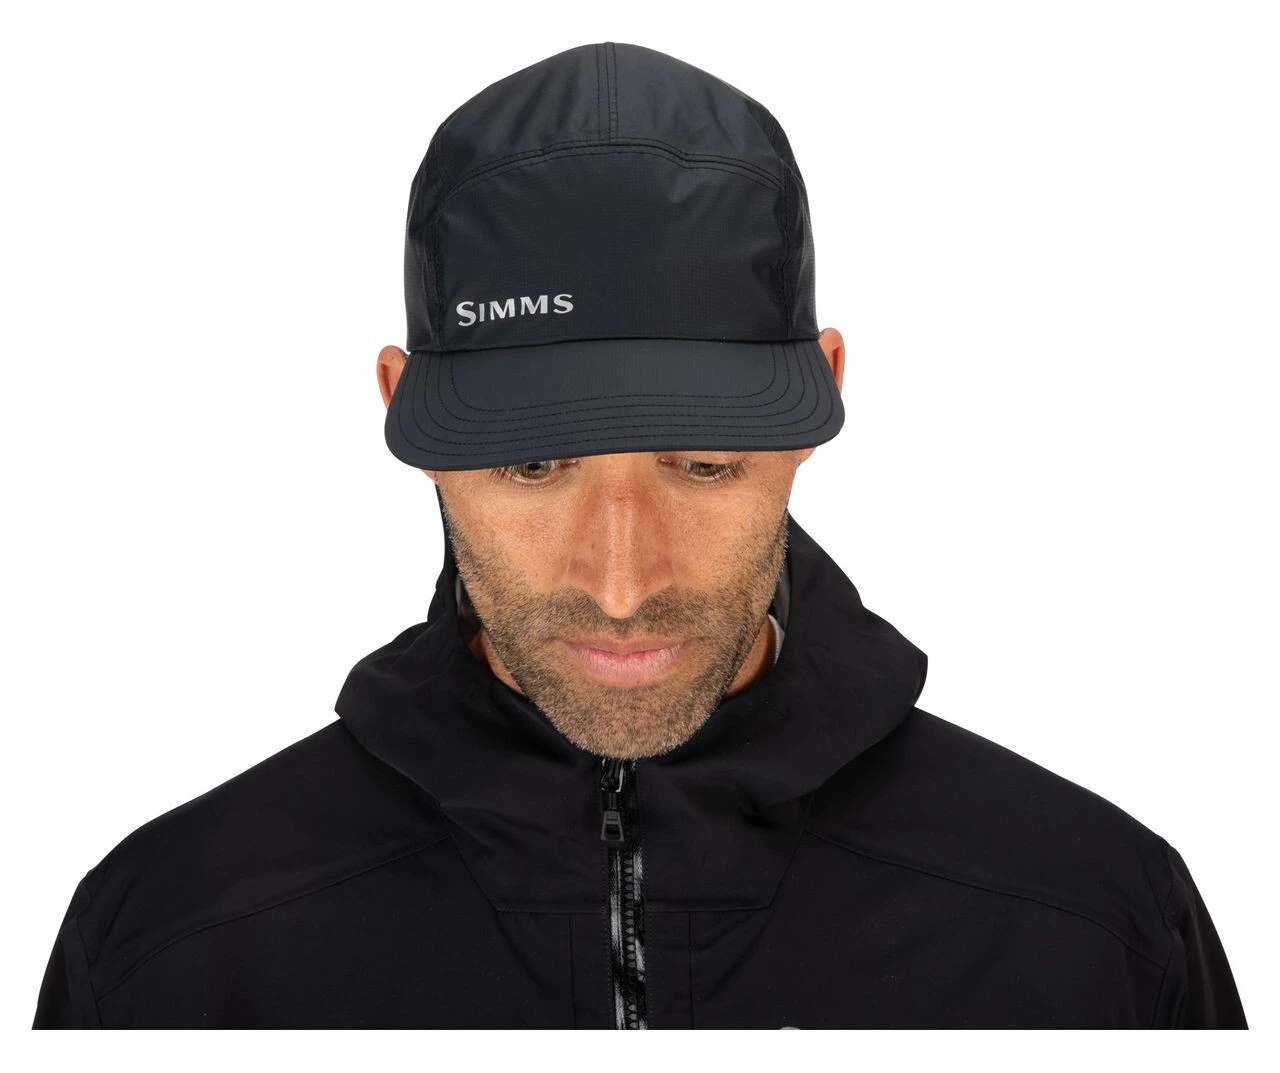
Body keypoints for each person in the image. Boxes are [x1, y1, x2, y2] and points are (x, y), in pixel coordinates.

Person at [33, 40, 1246, 1030]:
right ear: (404, 409)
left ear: (820, 398)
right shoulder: (173, 950)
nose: (620, 582)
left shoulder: (1090, 927)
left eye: (703, 464)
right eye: (531, 464)